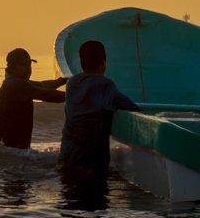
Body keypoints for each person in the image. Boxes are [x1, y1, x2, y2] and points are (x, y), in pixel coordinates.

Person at [58, 40, 139, 177]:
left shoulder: (72, 83)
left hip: (67, 155)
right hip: (91, 159)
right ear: (103, 63)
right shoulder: (105, 84)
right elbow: (128, 105)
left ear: (81, 63)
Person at [0, 48, 67, 149]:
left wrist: (63, 80)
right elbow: (45, 94)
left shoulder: (15, 82)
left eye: (29, 65)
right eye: (24, 65)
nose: (28, 69)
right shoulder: (16, 85)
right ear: (13, 68)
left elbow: (42, 85)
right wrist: (78, 94)